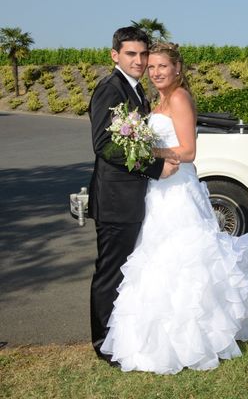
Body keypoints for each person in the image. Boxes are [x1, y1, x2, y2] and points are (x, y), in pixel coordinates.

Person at [100, 42, 248, 374]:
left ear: (177, 69)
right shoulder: (156, 101)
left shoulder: (178, 98)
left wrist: (148, 149)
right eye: (152, 67)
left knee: (184, 264)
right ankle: (156, 343)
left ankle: (197, 339)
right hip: (157, 191)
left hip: (178, 189)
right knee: (155, 262)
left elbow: (188, 151)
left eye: (163, 66)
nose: (156, 72)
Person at [88, 27, 179, 365]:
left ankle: (122, 337)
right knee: (111, 272)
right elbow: (106, 144)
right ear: (115, 55)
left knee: (128, 272)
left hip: (132, 198)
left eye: (143, 54)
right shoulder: (110, 89)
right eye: (131, 54)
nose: (139, 61)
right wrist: (155, 168)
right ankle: (103, 343)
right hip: (115, 199)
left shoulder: (135, 90)